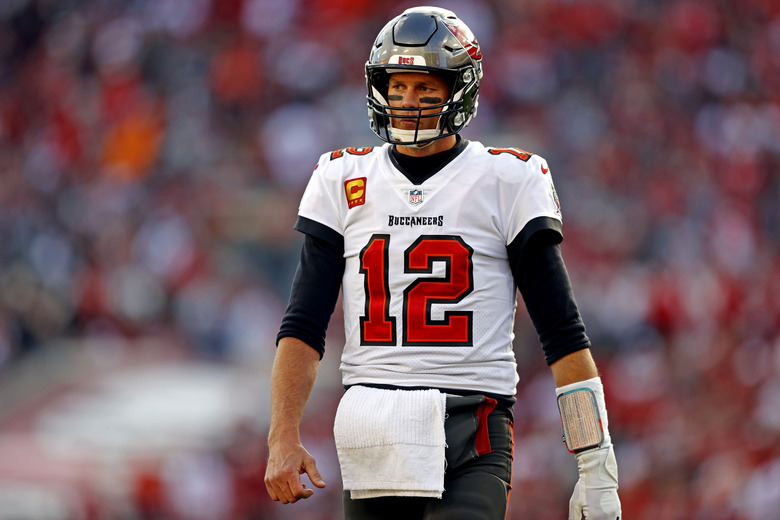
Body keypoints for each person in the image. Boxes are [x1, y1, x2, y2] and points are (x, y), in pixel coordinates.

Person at [264, 6, 621, 520]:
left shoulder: (507, 180)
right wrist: (282, 435)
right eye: (397, 86)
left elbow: (562, 334)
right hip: (372, 425)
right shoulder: (341, 178)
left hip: (472, 419)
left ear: (459, 91)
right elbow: (303, 325)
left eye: (425, 88)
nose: (407, 101)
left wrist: (596, 464)